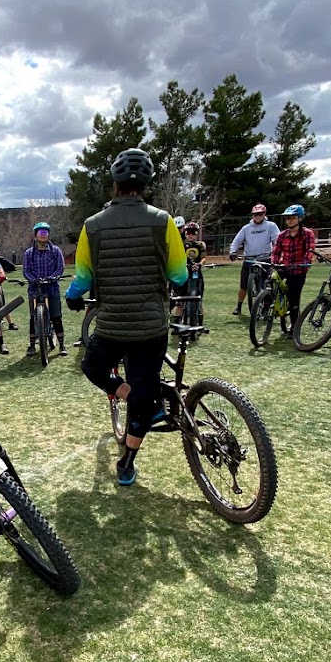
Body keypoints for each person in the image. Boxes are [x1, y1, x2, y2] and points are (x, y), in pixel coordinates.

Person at [65, 149, 187, 486]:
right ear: (147, 184)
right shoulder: (163, 221)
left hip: (112, 326)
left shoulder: (93, 226)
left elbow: (83, 278)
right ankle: (128, 462)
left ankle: (134, 397)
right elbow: (179, 275)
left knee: (93, 367)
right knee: (144, 391)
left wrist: (72, 297)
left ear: (114, 183)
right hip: (151, 326)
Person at [22, 222, 67, 357]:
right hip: (35, 289)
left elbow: (60, 268)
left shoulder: (55, 251)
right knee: (33, 317)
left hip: (52, 287)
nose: (43, 235)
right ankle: (32, 345)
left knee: (56, 316)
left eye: (45, 233)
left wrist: (53, 277)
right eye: (40, 233)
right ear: (35, 235)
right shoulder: (29, 253)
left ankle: (62, 345)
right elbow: (26, 271)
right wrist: (33, 279)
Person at [228, 204, 279, 314]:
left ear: (264, 214)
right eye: (255, 214)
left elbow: (277, 240)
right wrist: (232, 251)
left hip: (265, 259)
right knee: (243, 285)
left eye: (260, 214)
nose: (257, 217)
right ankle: (239, 307)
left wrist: (276, 251)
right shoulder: (246, 228)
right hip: (249, 259)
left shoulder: (271, 226)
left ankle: (265, 307)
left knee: (266, 285)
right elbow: (237, 241)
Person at [271, 205, 316, 322]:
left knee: (294, 299)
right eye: (287, 218)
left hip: (298, 270)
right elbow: (276, 252)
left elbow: (310, 250)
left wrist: (305, 262)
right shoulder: (281, 235)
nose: (289, 220)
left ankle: (294, 324)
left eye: (292, 218)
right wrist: (274, 263)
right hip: (284, 267)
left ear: (300, 218)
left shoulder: (307, 233)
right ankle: (266, 305)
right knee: (270, 282)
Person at [174, 221, 207, 319]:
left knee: (199, 298)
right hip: (184, 272)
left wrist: (200, 264)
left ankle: (200, 319)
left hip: (196, 271)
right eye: (188, 232)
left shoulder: (200, 245)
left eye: (193, 232)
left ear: (197, 234)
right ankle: (177, 321)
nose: (190, 235)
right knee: (180, 300)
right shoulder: (180, 244)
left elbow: (203, 258)